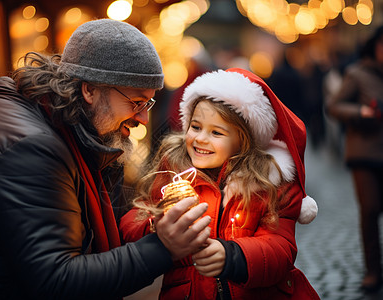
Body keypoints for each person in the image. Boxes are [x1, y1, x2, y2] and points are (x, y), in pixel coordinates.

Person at [0, 19, 212, 299]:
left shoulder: (47, 119)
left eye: (148, 104)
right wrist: (162, 247)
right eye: (136, 103)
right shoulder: (32, 148)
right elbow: (58, 280)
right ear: (89, 90)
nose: (142, 118)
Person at [120, 68, 320, 299]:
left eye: (216, 132)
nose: (201, 138)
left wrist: (233, 256)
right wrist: (156, 226)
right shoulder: (174, 168)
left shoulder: (269, 184)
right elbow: (135, 217)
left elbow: (280, 248)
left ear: (243, 140)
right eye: (195, 127)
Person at [325, 25, 383, 293]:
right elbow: (334, 106)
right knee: (370, 210)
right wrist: (360, 112)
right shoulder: (357, 73)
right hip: (365, 154)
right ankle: (373, 270)